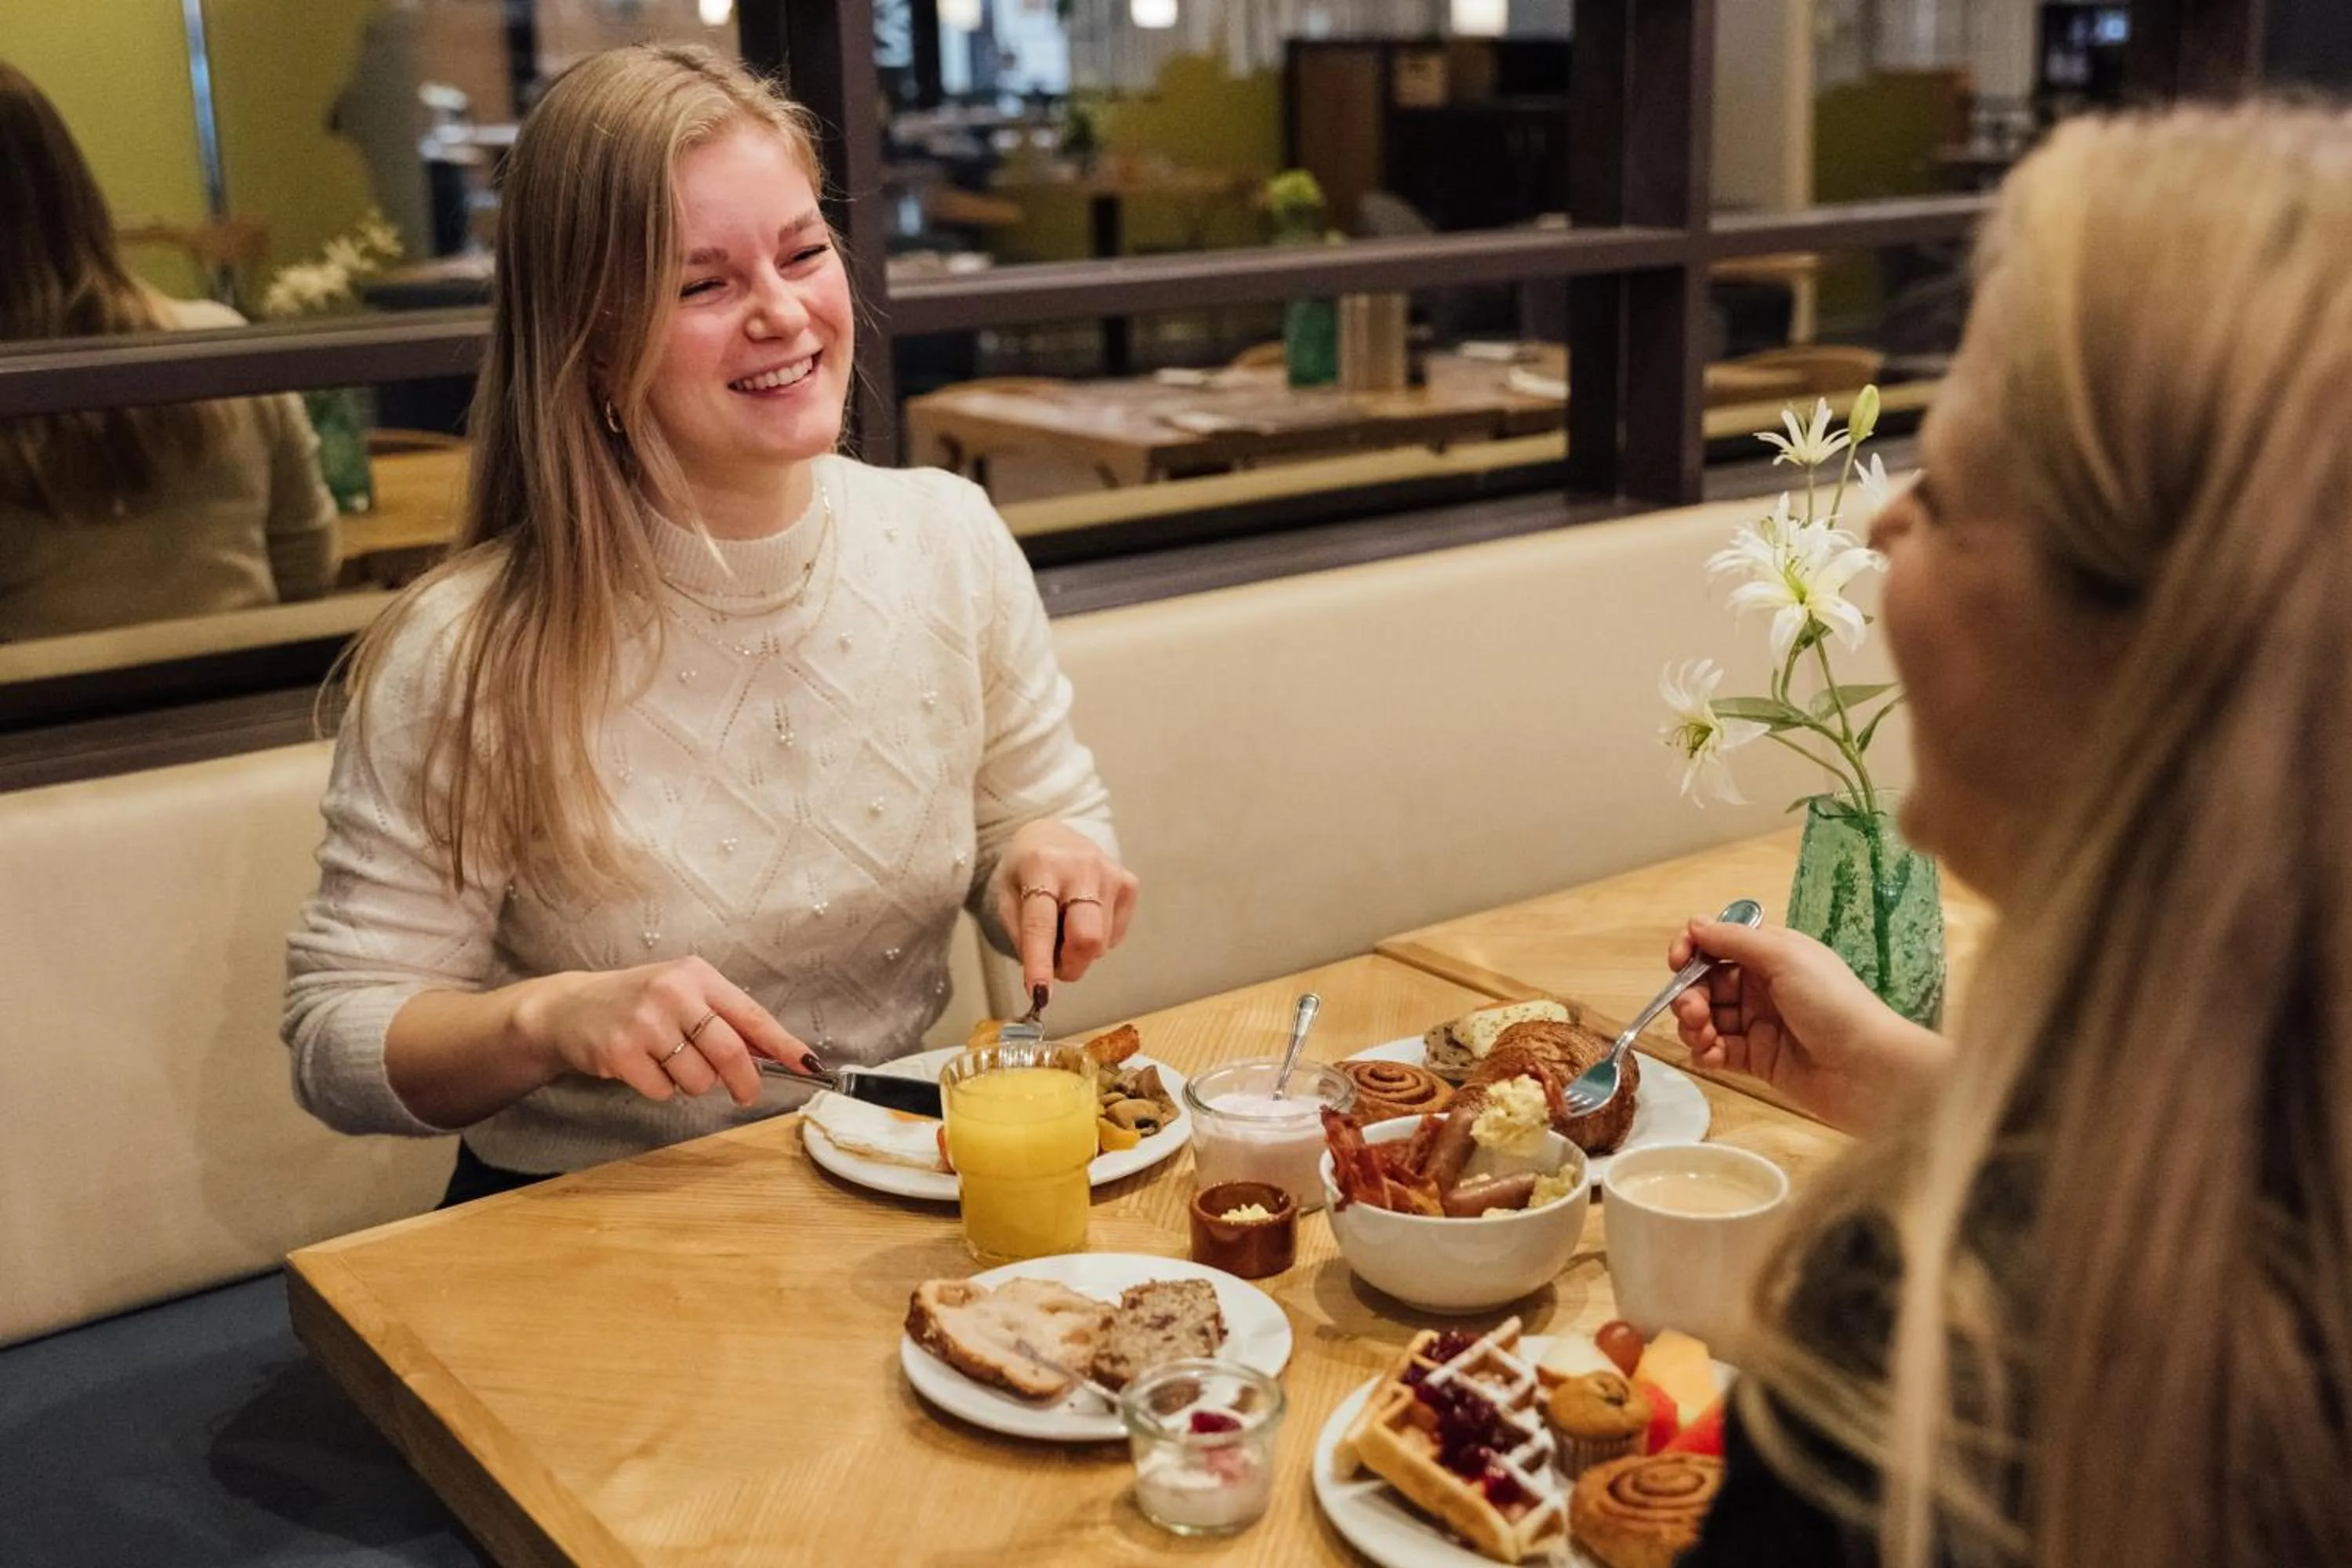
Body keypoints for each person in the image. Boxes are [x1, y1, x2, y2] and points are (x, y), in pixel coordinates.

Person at [1662, 104, 2352, 1567]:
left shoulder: (1945, 1363)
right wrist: (1912, 1082)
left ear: (2154, 646)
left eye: (1951, 485)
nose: (1883, 531)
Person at [283, 45, 1137, 1206]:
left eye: (802, 252)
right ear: (588, 341)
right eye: (704, 286)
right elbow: (337, 1038)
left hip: (899, 1176)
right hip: (584, 1224)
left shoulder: (950, 536)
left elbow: (1034, 811)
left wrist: (1046, 858)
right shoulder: (468, 647)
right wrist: (546, 1018)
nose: (784, 313)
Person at [0, 61, 337, 641]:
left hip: (48, 727)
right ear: (73, 186)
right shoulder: (219, 346)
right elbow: (308, 566)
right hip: (250, 715)